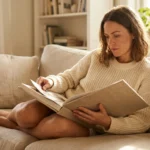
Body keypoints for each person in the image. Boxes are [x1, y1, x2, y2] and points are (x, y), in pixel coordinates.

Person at [0, 5, 150, 139]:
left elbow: (143, 120)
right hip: (62, 102)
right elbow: (68, 78)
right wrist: (52, 82)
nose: (110, 43)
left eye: (116, 35)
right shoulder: (97, 56)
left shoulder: (145, 72)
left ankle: (14, 126)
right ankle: (13, 118)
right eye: (107, 36)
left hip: (89, 124)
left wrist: (108, 122)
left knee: (56, 126)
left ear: (134, 33)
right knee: (25, 115)